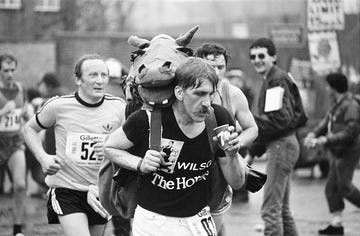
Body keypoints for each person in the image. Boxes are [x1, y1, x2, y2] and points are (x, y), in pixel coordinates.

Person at [103, 57, 248, 236]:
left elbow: (237, 182)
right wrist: (140, 163)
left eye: (210, 94)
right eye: (199, 94)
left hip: (198, 219)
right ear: (179, 92)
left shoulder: (218, 119)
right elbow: (109, 147)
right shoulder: (147, 119)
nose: (207, 103)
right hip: (152, 222)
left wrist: (233, 156)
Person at [22, 54, 126, 236]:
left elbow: (129, 143)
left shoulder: (118, 107)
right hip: (66, 189)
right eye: (93, 75)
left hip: (99, 190)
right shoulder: (58, 106)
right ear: (78, 79)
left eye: (104, 75)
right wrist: (43, 157)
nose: (100, 81)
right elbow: (29, 129)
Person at [195, 43, 258, 233]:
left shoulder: (233, 94)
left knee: (213, 225)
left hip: (219, 171)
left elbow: (252, 128)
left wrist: (237, 143)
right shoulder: (184, 92)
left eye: (220, 67)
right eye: (209, 66)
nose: (215, 72)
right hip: (189, 169)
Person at [248, 38, 306, 236]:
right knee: (281, 209)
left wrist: (248, 121)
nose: (257, 60)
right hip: (285, 144)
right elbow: (276, 122)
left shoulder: (275, 80)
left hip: (281, 145)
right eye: (253, 56)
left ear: (273, 57)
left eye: (261, 56)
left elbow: (278, 121)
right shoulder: (274, 78)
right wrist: (253, 152)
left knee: (270, 209)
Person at [304, 73, 360, 235]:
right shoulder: (337, 104)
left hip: (348, 151)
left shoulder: (351, 106)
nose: (327, 88)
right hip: (337, 150)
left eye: (328, 85)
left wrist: (326, 140)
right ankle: (337, 224)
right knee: (331, 188)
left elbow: (351, 132)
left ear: (334, 87)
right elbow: (325, 123)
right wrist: (314, 134)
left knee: (344, 186)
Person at [0, 54, 28, 236]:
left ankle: (17, 229)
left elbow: (22, 115)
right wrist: (3, 111)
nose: (9, 74)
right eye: (5, 70)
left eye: (12, 70)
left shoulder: (20, 88)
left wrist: (26, 113)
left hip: (15, 142)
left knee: (19, 184)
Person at [105, 57, 132, 236]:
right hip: (112, 149)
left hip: (117, 150)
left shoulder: (125, 94)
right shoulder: (124, 91)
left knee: (116, 194)